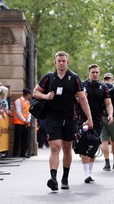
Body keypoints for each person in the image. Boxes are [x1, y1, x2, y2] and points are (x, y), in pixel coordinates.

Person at [32, 51, 93, 191]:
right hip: (52, 118)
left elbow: (83, 99)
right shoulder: (48, 77)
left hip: (70, 119)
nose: (61, 63)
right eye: (58, 60)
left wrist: (89, 119)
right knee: (55, 147)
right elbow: (35, 92)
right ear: (55, 62)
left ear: (67, 62)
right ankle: (53, 178)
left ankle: (65, 178)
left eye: (63, 61)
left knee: (67, 149)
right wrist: (46, 96)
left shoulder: (74, 78)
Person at [78, 64, 113, 183]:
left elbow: (108, 103)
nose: (95, 74)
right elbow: (74, 100)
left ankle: (89, 172)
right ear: (89, 73)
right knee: (85, 144)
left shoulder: (103, 88)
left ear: (99, 74)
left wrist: (110, 114)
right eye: (93, 72)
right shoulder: (82, 85)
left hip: (97, 121)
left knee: (93, 145)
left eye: (97, 72)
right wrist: (80, 98)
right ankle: (86, 173)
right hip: (83, 119)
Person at [12, 88, 32, 158]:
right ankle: (16, 153)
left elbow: (29, 112)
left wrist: (28, 120)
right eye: (30, 95)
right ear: (27, 94)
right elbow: (18, 112)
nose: (30, 96)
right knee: (17, 138)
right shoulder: (18, 101)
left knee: (25, 139)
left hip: (26, 123)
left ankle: (23, 153)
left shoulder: (28, 102)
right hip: (18, 122)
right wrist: (25, 120)